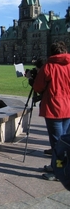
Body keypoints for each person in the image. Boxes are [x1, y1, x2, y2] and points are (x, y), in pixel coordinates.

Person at [33, 41, 70, 181]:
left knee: (57, 143)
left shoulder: (49, 66)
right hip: (68, 108)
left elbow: (38, 87)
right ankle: (57, 166)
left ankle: (58, 171)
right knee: (64, 141)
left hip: (54, 108)